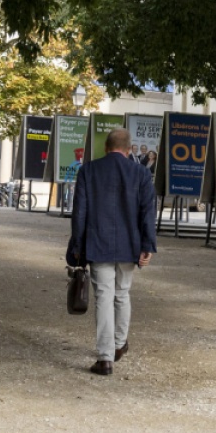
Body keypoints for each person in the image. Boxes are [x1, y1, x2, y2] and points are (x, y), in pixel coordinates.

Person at [66, 128, 156, 376]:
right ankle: (119, 344)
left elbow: (79, 213)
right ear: (129, 150)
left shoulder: (88, 170)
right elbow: (148, 212)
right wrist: (147, 245)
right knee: (122, 293)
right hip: (129, 244)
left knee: (103, 297)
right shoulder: (141, 173)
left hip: (98, 242)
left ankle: (105, 358)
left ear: (106, 148)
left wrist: (77, 247)